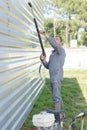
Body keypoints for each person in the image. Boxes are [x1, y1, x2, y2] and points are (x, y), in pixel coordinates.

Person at [39, 30, 66, 111]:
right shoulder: (52, 54)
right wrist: (44, 61)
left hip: (56, 77)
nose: (55, 40)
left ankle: (58, 116)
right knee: (57, 95)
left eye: (57, 39)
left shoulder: (61, 50)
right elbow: (48, 66)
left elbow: (55, 45)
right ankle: (62, 114)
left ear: (60, 42)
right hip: (53, 77)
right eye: (55, 39)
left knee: (56, 97)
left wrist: (45, 35)